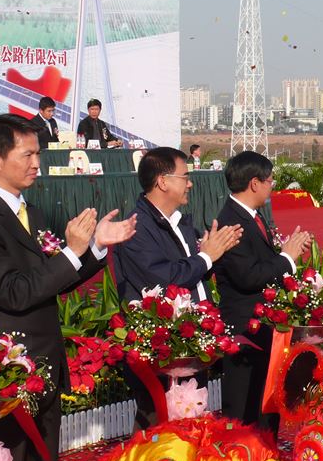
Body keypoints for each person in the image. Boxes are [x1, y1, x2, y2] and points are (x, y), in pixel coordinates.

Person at [0, 114, 137, 461]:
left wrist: (95, 248)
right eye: (28, 154)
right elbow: (13, 293)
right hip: (6, 374)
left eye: (38, 153)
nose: (38, 163)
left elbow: (53, 279)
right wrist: (72, 251)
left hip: (44, 365)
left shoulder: (30, 213)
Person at [114, 146, 242, 429]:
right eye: (185, 176)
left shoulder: (181, 222)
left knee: (191, 434)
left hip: (191, 347)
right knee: (158, 437)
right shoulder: (137, 227)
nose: (190, 183)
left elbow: (193, 275)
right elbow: (162, 280)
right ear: (162, 181)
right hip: (162, 354)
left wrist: (212, 253)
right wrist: (207, 255)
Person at [212, 151, 311, 427]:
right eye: (269, 180)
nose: (273, 186)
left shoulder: (252, 216)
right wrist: (287, 259)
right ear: (254, 183)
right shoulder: (233, 222)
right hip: (245, 329)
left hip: (262, 327)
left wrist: (285, 254)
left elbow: (261, 264)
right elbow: (247, 276)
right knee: (245, 414)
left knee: (264, 410)